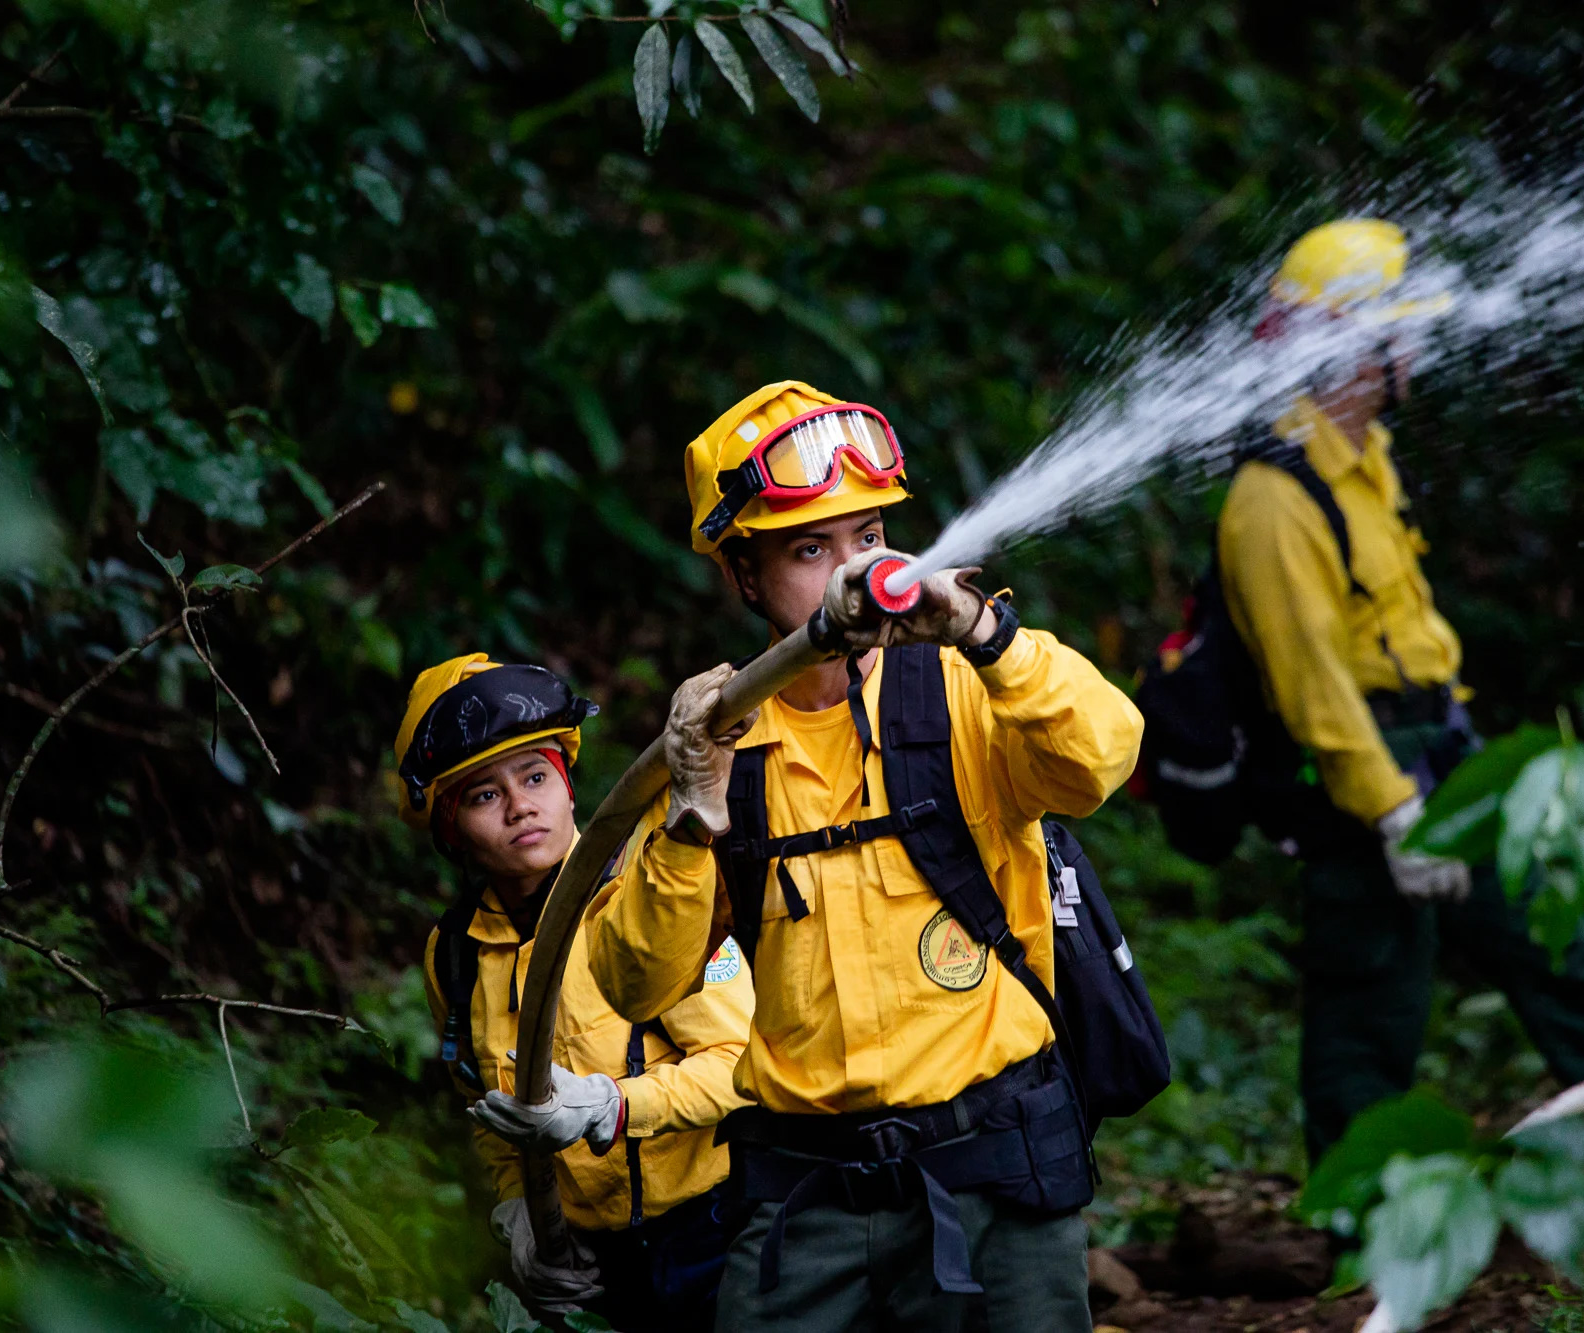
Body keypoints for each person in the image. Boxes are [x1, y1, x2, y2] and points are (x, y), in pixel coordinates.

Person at [586, 381, 1145, 1333]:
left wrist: (983, 632)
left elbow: (1101, 754)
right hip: (809, 1204)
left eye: (870, 536)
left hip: (996, 1178)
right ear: (744, 576)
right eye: (810, 549)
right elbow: (637, 981)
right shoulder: (720, 748)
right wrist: (693, 812)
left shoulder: (968, 689)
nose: (853, 572)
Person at [1217, 219, 1584, 1160]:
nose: (1415, 349)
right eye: (1399, 331)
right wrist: (1391, 813)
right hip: (1361, 778)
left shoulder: (1366, 454)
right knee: (1369, 1008)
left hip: (1438, 747)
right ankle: (1360, 1230)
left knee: (1546, 933)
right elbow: (1313, 686)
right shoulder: (1274, 497)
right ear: (1354, 346)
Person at [394, 653, 756, 1332]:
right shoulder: (455, 956)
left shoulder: (650, 894)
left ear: (567, 787)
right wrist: (521, 1215)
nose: (519, 805)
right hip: (594, 1269)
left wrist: (613, 1106)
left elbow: (744, 1066)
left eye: (535, 776)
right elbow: (486, 1110)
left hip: (718, 1234)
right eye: (482, 794)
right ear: (450, 829)